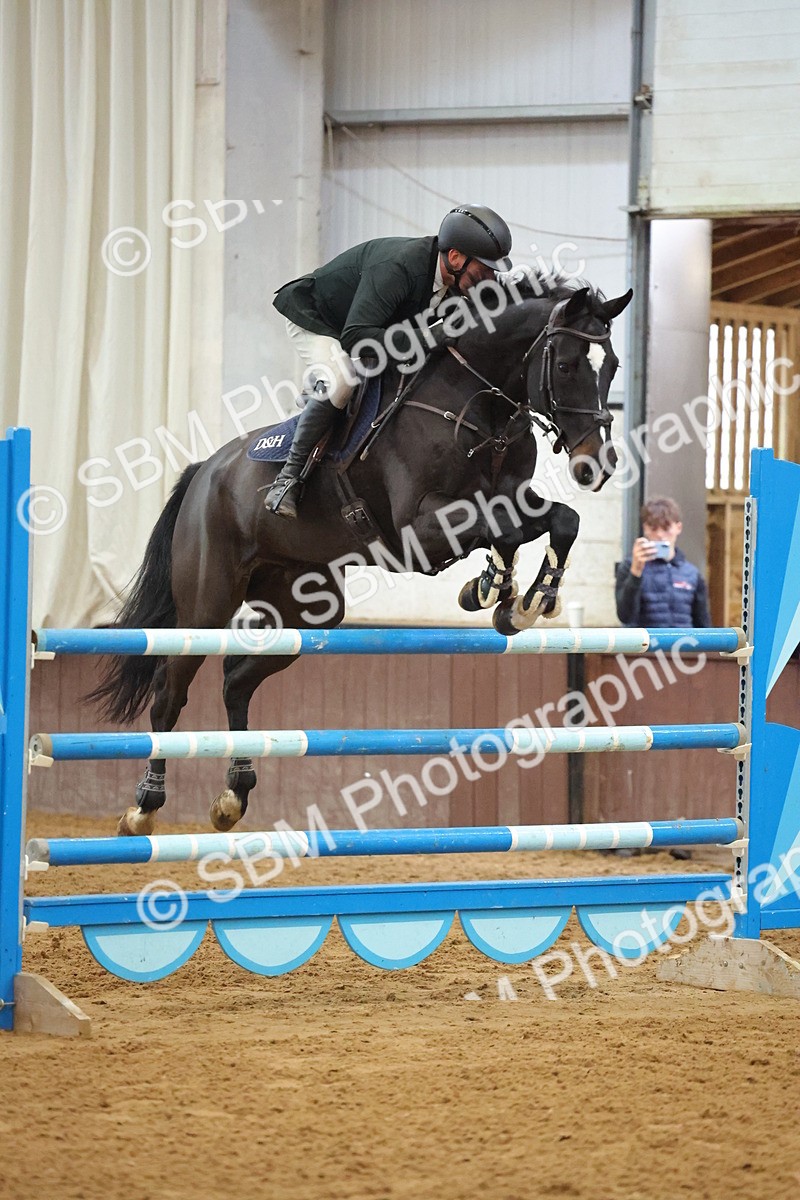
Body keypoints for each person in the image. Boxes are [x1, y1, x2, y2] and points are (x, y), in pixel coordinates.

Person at [263, 204, 513, 518]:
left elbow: (501, 307)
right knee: (343, 379)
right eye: (486, 268)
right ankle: (288, 479)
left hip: (368, 324)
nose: (489, 277)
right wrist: (425, 339)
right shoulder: (400, 266)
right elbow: (357, 338)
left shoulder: (456, 280)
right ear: (455, 258)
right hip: (320, 319)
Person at [616, 496, 711, 627]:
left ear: (678, 528)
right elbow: (625, 616)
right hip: (646, 646)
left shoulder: (692, 573)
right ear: (645, 528)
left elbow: (703, 624)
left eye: (666, 528)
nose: (660, 535)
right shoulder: (629, 567)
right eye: (654, 528)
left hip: (685, 645)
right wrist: (635, 572)